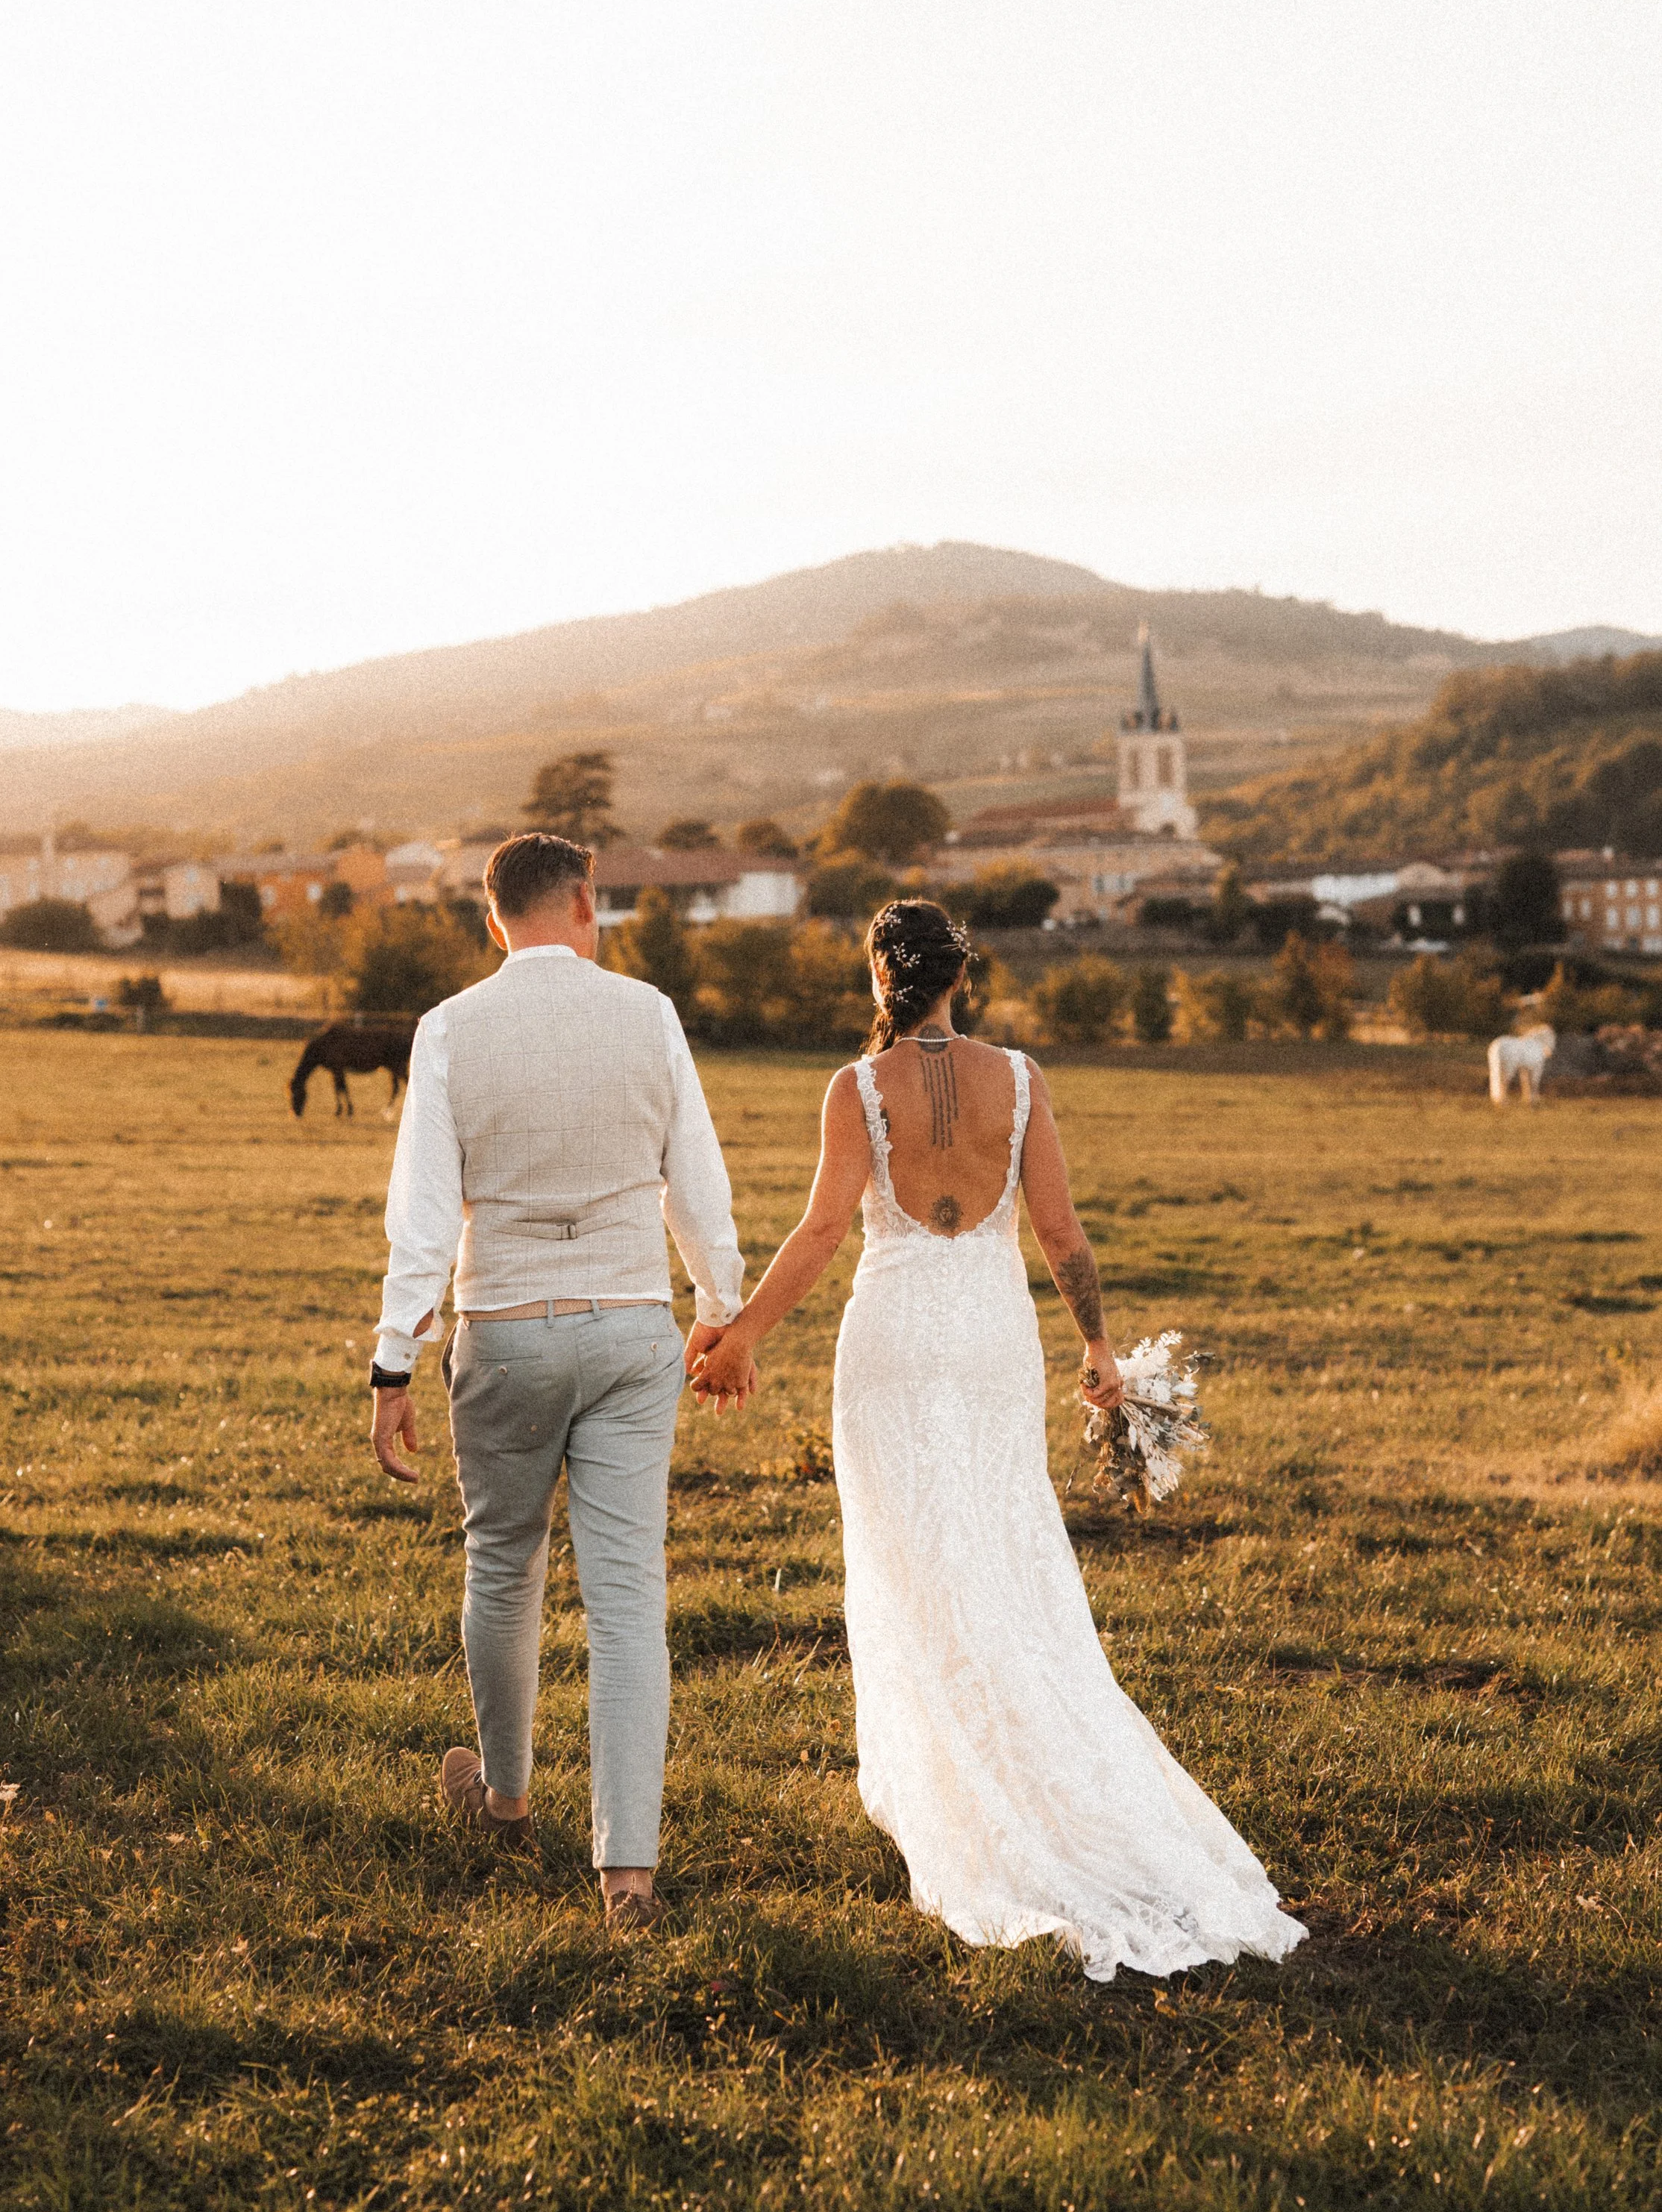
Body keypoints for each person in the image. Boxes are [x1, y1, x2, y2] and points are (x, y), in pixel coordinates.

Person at [690, 897, 1305, 1979]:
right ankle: (1030, 1772)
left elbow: (825, 1228)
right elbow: (1061, 1229)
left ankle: (958, 1791)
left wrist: (742, 1334)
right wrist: (1101, 1346)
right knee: (1008, 1555)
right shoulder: (1020, 1082)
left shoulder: (854, 1089)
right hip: (989, 1340)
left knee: (911, 1565)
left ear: (881, 980)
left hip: (890, 1342)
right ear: (959, 977)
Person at [368, 831, 746, 1934]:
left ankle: (507, 1800)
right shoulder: (650, 1013)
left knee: (504, 1561)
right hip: (634, 1331)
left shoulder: (449, 1030)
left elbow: (423, 1216)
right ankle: (628, 1872)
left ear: (495, 921)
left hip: (507, 1328)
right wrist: (718, 1308)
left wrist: (394, 1356)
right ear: (588, 904)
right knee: (629, 1596)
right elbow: (698, 1181)